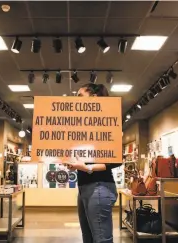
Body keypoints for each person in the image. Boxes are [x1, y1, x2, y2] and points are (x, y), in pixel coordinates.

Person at [64, 83, 121, 243]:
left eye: (80, 96)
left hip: (99, 187)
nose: (76, 100)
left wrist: (87, 167)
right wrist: (73, 163)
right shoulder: (84, 125)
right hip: (84, 188)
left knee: (101, 239)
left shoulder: (107, 122)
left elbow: (116, 159)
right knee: (88, 238)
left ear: (94, 98)